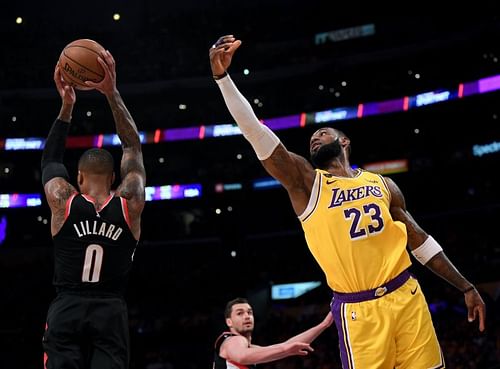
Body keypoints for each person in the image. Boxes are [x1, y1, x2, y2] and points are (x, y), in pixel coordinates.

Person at [209, 35, 486, 368]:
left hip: (407, 295)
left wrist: (465, 285)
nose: (315, 138)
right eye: (311, 138)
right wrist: (223, 80)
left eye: (322, 134)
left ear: (344, 142)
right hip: (360, 310)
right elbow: (255, 131)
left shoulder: (382, 184)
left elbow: (419, 240)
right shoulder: (307, 183)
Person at [41, 50, 146, 369]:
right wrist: (111, 92)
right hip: (111, 310)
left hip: (67, 307)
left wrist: (67, 107)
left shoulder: (63, 200)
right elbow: (132, 146)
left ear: (79, 177)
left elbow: (51, 161)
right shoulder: (130, 201)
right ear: (115, 178)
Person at [213, 297, 333, 368]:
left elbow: (287, 345)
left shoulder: (248, 347)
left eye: (249, 312)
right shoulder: (233, 340)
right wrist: (285, 350)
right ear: (229, 322)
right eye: (240, 313)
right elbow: (242, 356)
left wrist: (324, 324)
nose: (247, 316)